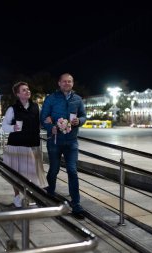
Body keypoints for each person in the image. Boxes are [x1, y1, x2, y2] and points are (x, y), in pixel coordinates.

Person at [40, 73, 86, 219]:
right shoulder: (51, 98)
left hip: (71, 142)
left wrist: (79, 120)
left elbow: (84, 115)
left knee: (72, 171)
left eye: (70, 81)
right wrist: (50, 127)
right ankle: (50, 195)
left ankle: (76, 204)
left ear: (73, 83)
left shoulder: (77, 99)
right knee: (54, 170)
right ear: (59, 83)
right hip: (54, 141)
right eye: (64, 81)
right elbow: (43, 118)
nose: (67, 83)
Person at [2, 81, 47, 207]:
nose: (27, 91)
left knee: (33, 173)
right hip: (17, 145)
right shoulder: (12, 109)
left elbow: (42, 123)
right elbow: (4, 126)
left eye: (28, 89)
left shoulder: (36, 107)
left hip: (33, 144)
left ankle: (29, 197)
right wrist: (13, 128)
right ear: (17, 94)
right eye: (24, 90)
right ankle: (17, 197)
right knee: (16, 174)